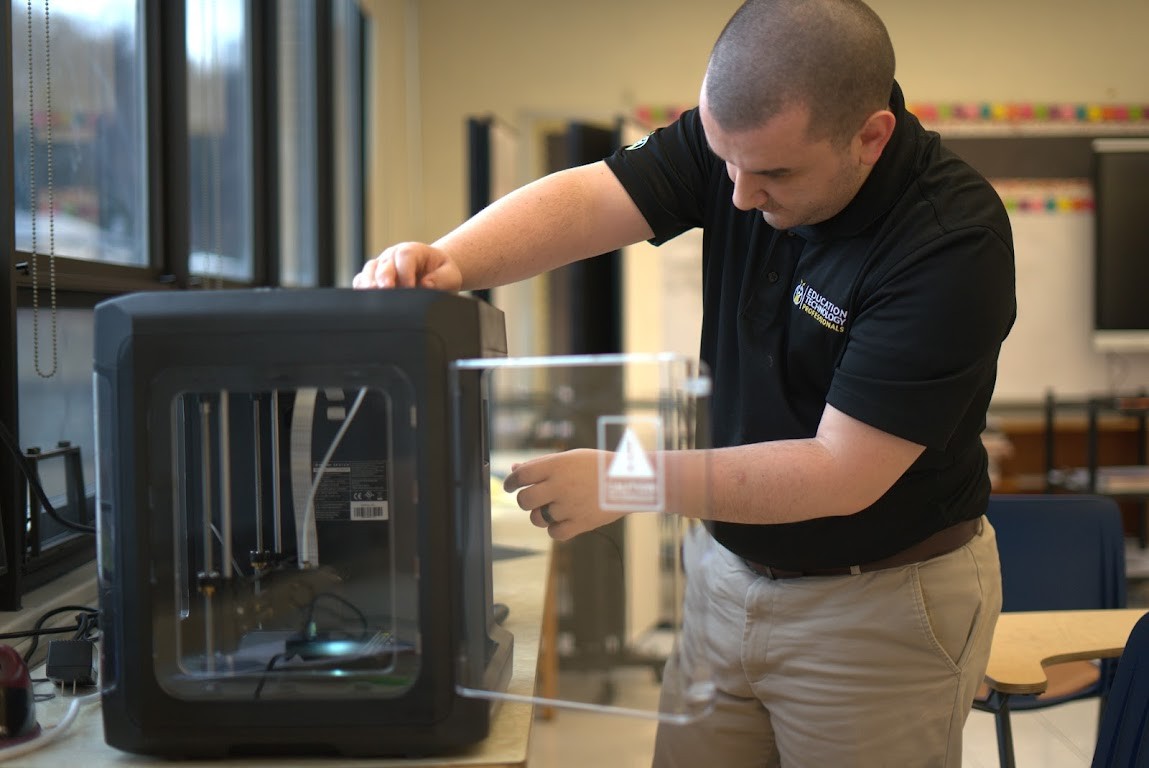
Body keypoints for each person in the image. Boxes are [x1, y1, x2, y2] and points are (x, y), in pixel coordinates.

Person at [355, 0, 1016, 764]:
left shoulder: (947, 242)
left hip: (874, 605)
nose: (736, 196)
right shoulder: (740, 144)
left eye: (771, 173)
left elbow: (842, 472)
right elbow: (591, 198)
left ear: (869, 137)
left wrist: (629, 483)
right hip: (724, 577)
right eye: (723, 160)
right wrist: (452, 263)